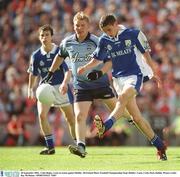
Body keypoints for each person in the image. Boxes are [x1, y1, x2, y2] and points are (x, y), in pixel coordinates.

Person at [43, 12, 138, 158]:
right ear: (73, 26)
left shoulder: (97, 41)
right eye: (77, 25)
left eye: (82, 25)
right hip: (81, 86)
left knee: (117, 107)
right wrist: (50, 72)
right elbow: (60, 56)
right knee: (80, 116)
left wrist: (99, 73)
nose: (79, 28)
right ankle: (81, 146)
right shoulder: (67, 42)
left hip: (100, 85)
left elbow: (109, 60)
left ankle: (131, 118)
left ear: (88, 27)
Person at [78, 14, 167, 160]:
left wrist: (153, 72)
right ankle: (160, 146)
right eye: (105, 31)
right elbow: (97, 59)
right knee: (136, 118)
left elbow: (146, 54)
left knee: (123, 97)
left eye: (109, 29)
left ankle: (106, 126)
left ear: (115, 24)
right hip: (118, 80)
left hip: (134, 76)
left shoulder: (133, 34)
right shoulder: (104, 40)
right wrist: (85, 67)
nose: (108, 33)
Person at [27, 24, 76, 155]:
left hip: (61, 87)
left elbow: (68, 71)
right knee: (42, 116)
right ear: (39, 37)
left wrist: (65, 83)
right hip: (45, 89)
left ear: (51, 36)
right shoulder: (36, 55)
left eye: (47, 35)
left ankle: (79, 144)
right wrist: (30, 89)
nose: (44, 37)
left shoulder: (60, 51)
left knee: (70, 118)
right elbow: (33, 73)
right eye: (42, 35)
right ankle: (50, 147)